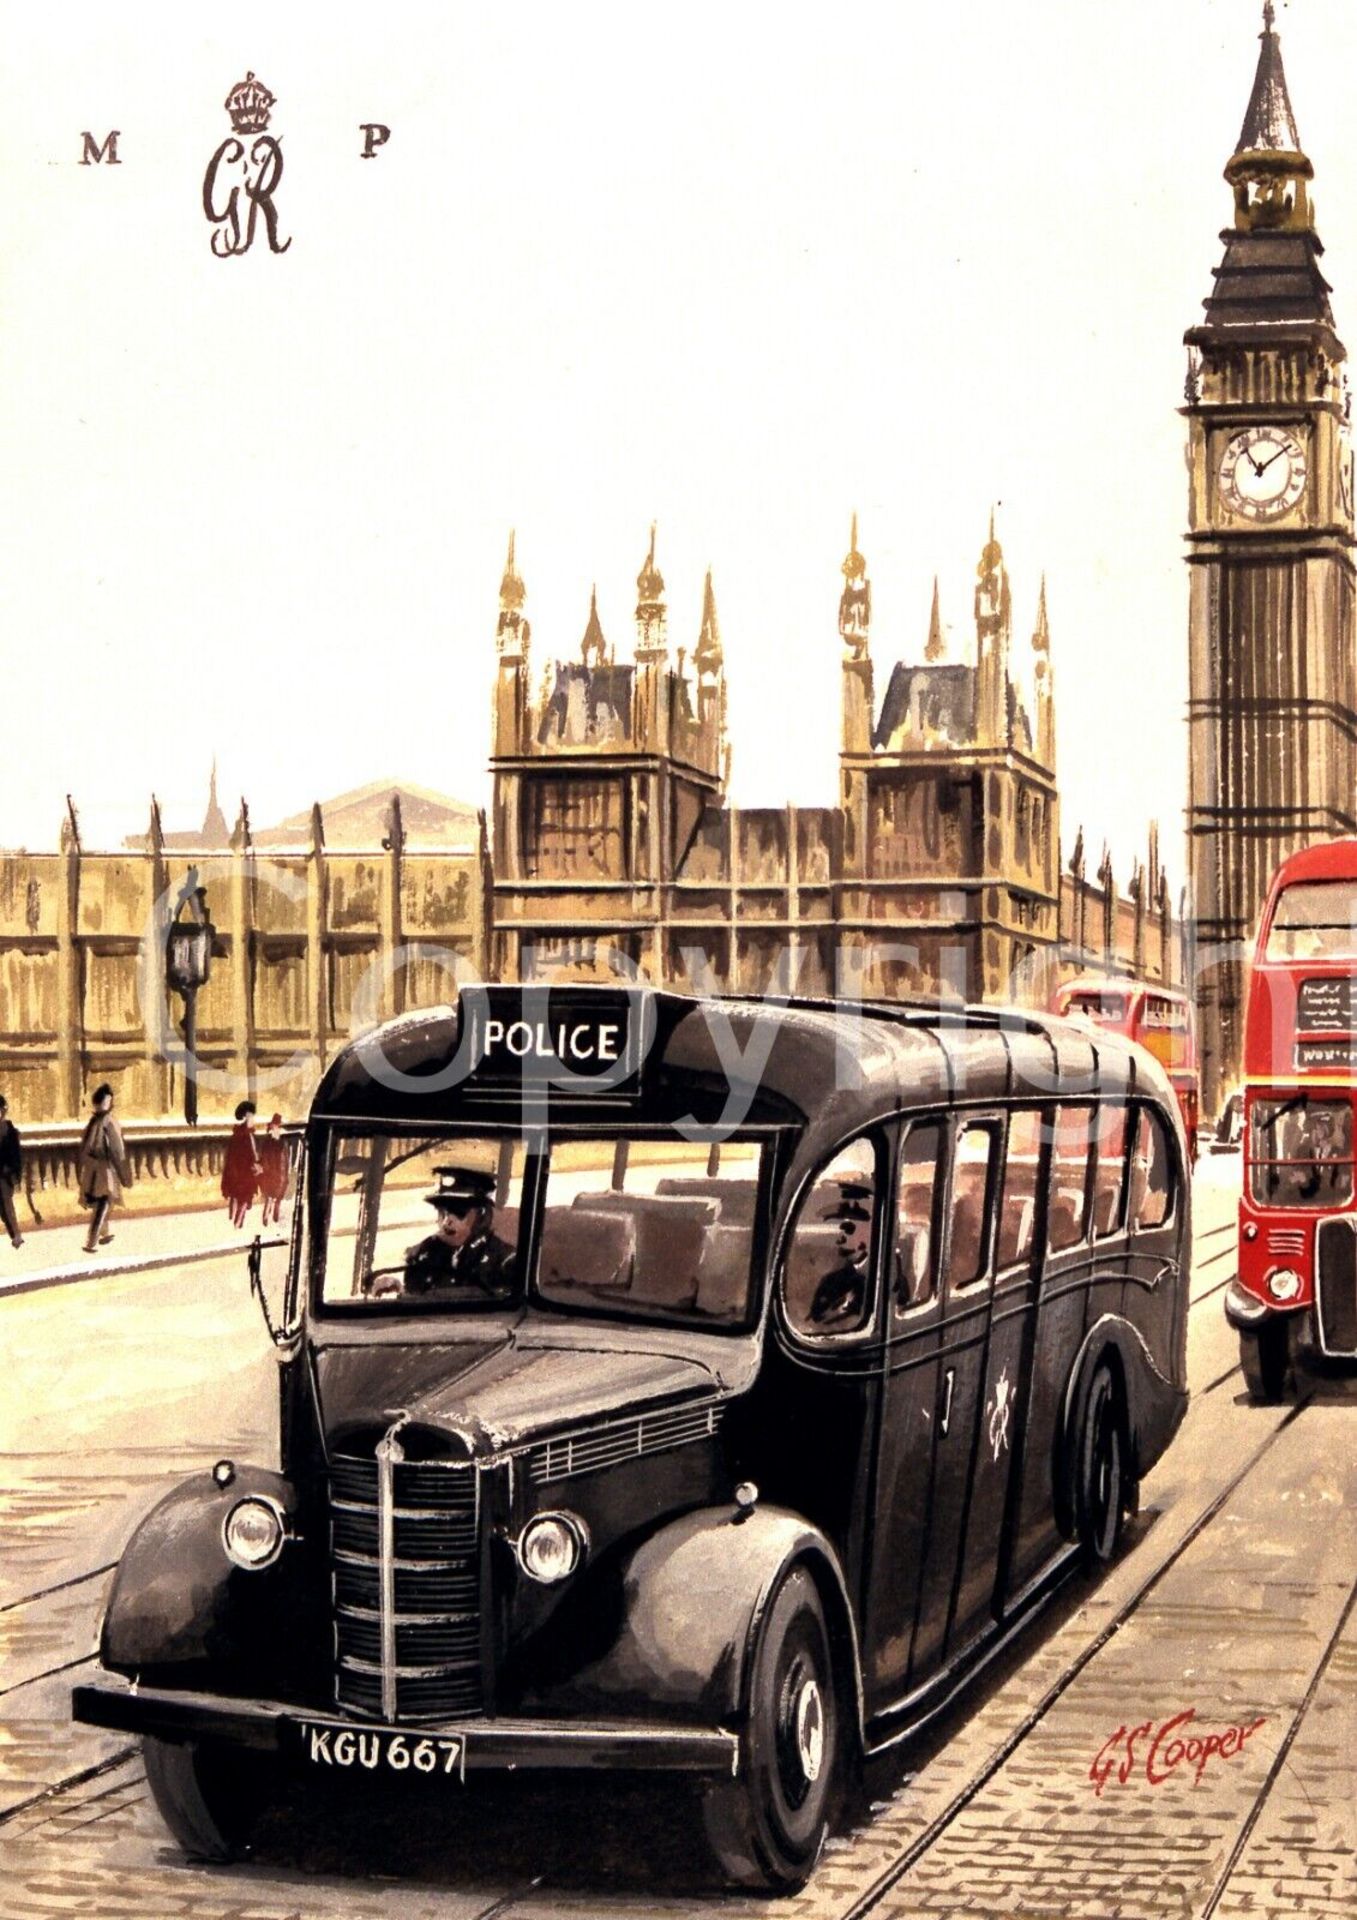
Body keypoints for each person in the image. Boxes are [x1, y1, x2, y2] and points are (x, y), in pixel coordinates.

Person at [388, 1166, 517, 1296]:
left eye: (458, 1212)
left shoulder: (505, 1259)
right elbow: (414, 1298)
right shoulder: (424, 1252)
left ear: (481, 1215)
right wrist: (397, 1288)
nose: (446, 1221)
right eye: (442, 1212)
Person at [809, 1180, 874, 1327]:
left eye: (849, 1229)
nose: (841, 1238)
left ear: (869, 1231)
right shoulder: (832, 1279)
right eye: (841, 1229)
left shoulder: (887, 1274)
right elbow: (817, 1319)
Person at [77, 1084, 132, 1254]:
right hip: (105, 1169)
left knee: (101, 1202)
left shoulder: (93, 1122)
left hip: (92, 1171)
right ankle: (91, 1241)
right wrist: (125, 1175)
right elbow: (118, 1150)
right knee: (105, 1203)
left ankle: (104, 1234)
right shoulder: (110, 1122)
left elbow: (84, 1148)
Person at [221, 1100, 261, 1228]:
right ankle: (236, 1224)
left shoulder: (244, 1134)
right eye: (251, 1116)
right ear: (246, 1117)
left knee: (239, 1198)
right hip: (243, 1174)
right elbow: (246, 1155)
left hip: (242, 1174)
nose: (253, 1119)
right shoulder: (243, 1135)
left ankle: (234, 1223)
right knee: (243, 1199)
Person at [256, 1113, 290, 1226]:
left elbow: (285, 1161)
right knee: (269, 1197)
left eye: (278, 1128)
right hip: (270, 1174)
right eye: (275, 1127)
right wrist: (263, 1168)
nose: (277, 1130)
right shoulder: (268, 1143)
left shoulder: (282, 1144)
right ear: (271, 1128)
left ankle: (275, 1213)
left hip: (280, 1174)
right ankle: (266, 1216)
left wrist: (284, 1173)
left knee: (278, 1197)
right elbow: (264, 1158)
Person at [0, 1094, 23, 1249]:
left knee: (6, 1206)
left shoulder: (9, 1130)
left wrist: (14, 1172)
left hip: (3, 1175)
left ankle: (16, 1235)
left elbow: (15, 1155)